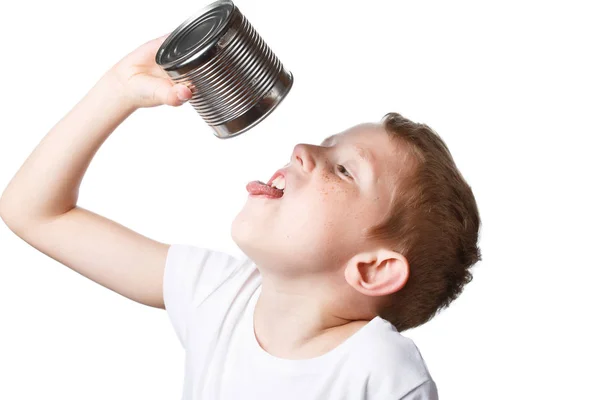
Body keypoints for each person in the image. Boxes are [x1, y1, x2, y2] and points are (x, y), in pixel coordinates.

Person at [0, 33, 481, 399]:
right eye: (325, 142)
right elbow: (34, 212)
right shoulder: (220, 295)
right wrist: (117, 89)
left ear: (373, 268)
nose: (301, 149)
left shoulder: (380, 370)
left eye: (343, 169)